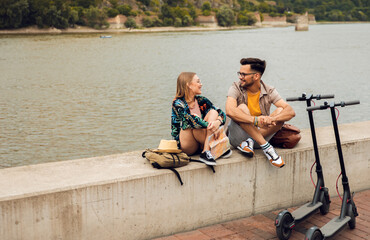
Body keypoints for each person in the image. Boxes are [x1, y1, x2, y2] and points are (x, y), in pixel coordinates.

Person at [225, 58, 295, 168]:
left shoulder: (269, 90)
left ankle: (251, 141)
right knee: (242, 108)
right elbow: (229, 111)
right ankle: (267, 148)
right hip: (238, 138)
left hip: (258, 138)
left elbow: (290, 111)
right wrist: (256, 120)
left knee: (281, 112)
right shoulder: (236, 87)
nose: (240, 77)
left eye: (243, 74)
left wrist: (273, 119)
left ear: (256, 76)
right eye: (239, 73)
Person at [171, 72, 227, 166]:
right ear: (188, 85)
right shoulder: (177, 103)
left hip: (201, 141)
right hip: (187, 145)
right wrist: (214, 127)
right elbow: (190, 120)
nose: (201, 84)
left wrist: (218, 122)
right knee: (194, 120)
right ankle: (214, 147)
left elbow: (221, 113)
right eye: (198, 81)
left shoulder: (202, 100)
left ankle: (206, 151)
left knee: (213, 112)